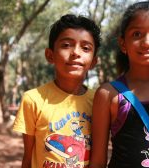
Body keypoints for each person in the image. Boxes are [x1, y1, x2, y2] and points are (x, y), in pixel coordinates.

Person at [89, 1, 149, 168]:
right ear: (123, 43)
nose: (146, 42)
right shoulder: (109, 94)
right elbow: (98, 161)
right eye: (137, 34)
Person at [13, 14, 101, 168]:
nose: (75, 52)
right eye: (66, 45)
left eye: (85, 48)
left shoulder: (100, 101)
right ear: (50, 55)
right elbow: (28, 157)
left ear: (93, 61)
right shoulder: (33, 99)